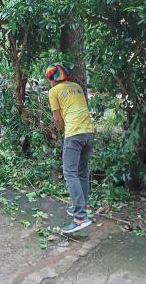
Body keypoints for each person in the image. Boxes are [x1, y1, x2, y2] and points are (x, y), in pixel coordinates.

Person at [46, 64, 94, 234]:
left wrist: (64, 131)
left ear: (52, 79)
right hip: (89, 133)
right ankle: (82, 207)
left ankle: (80, 217)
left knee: (69, 173)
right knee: (81, 172)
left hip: (74, 134)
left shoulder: (54, 91)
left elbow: (58, 118)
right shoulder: (77, 87)